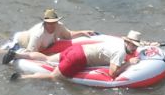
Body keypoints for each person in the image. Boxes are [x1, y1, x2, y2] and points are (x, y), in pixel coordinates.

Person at [11, 31, 145, 81]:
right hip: (79, 58)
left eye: (135, 46)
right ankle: (22, 77)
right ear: (127, 42)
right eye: (132, 44)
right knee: (53, 77)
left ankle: (17, 55)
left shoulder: (118, 43)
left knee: (46, 59)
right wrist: (129, 63)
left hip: (77, 49)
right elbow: (112, 73)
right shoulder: (120, 53)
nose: (134, 47)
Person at [2, 8, 96, 64]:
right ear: (45, 23)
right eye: (49, 23)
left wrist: (82, 32)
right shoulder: (38, 34)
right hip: (19, 43)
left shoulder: (59, 26)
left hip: (32, 41)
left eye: (54, 22)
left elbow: (68, 35)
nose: (52, 25)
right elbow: (31, 53)